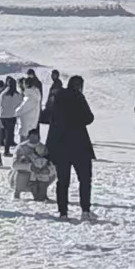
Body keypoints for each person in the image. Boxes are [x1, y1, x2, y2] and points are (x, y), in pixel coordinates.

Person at [47, 76, 95, 220]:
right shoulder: (78, 97)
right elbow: (89, 118)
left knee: (63, 181)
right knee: (85, 180)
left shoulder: (57, 97)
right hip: (80, 144)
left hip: (61, 145)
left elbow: (50, 119)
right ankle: (85, 211)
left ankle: (63, 212)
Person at [12, 128, 56, 200]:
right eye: (32, 137)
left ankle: (42, 194)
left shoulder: (42, 147)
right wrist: (30, 167)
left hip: (40, 174)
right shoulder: (21, 147)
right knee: (22, 173)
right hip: (26, 174)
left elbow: (51, 162)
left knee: (49, 173)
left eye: (36, 137)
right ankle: (17, 192)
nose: (34, 139)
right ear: (28, 137)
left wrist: (47, 169)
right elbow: (14, 165)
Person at [0, 77, 22, 157]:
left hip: (2, 115)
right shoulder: (17, 94)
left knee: (2, 133)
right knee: (9, 134)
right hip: (11, 116)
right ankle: (6, 151)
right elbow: (20, 104)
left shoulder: (3, 93)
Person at [15, 77, 42, 141]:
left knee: (24, 144)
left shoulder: (31, 97)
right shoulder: (33, 94)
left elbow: (21, 109)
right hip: (30, 123)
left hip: (27, 125)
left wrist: (15, 111)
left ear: (26, 84)